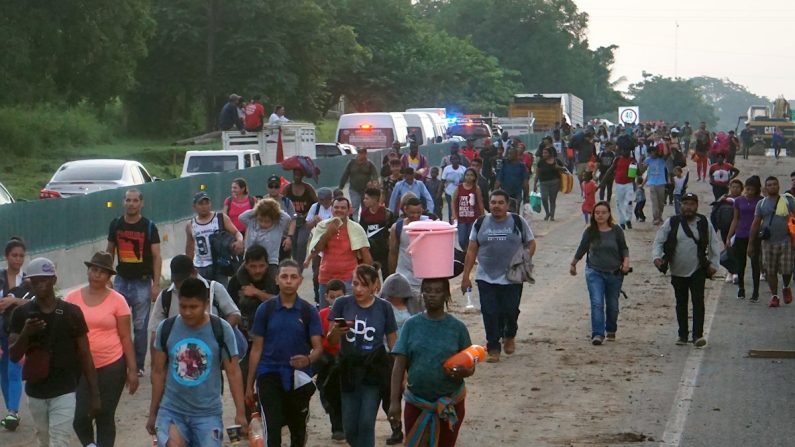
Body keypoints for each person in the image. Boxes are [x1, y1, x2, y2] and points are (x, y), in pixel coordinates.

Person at [9, 258, 100, 447]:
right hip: (36, 392)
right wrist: (26, 333)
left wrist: (94, 393)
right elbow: (13, 355)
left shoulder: (71, 313)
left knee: (59, 441)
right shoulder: (21, 314)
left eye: (45, 279)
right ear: (30, 283)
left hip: (64, 390)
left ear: (54, 280)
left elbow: (85, 354)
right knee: (45, 440)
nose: (40, 285)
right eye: (35, 281)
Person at [147, 277, 247, 447]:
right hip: (172, 410)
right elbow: (158, 372)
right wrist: (153, 412)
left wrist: (240, 412)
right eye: (183, 306)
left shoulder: (221, 330)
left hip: (207, 414)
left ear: (206, 304)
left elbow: (233, 372)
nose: (187, 312)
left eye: (193, 307)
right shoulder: (166, 328)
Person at [244, 259, 323, 447]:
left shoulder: (308, 311)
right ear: (276, 280)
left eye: (293, 277)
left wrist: (308, 359)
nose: (289, 281)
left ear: (300, 281)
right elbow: (256, 348)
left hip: (298, 378)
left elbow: (318, 347)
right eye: (284, 276)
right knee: (272, 426)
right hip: (268, 374)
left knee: (298, 429)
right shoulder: (266, 310)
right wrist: (249, 384)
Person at [388, 277, 474, 447]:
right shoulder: (411, 326)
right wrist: (394, 403)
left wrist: (463, 371)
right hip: (416, 403)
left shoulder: (457, 328)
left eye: (437, 291)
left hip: (451, 404)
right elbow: (399, 365)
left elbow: (470, 364)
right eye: (427, 290)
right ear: (421, 294)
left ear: (446, 295)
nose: (431, 295)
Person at [65, 252, 139, 447]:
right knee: (80, 417)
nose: (97, 275)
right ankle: (90, 444)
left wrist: (132, 369)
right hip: (81, 366)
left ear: (109, 276)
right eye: (93, 269)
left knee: (105, 414)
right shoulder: (72, 299)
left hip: (112, 364)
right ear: (88, 271)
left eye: (102, 272)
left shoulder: (118, 301)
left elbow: (125, 336)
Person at [461, 190, 536, 363]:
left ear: (507, 205)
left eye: (501, 202)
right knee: (489, 311)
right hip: (486, 276)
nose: (496, 206)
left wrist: (523, 261)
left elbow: (531, 243)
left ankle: (509, 335)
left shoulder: (518, 221)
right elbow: (472, 250)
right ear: (489, 204)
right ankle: (493, 346)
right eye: (493, 202)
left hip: (512, 276)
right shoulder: (480, 223)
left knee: (510, 309)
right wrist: (466, 276)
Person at [327, 265, 398, 447]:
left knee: (366, 423)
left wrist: (400, 372)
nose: (358, 289)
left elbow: (393, 343)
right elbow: (332, 341)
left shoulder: (384, 308)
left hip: (373, 369)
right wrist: (337, 330)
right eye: (356, 283)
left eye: (365, 285)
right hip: (348, 370)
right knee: (350, 427)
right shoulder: (342, 304)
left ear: (375, 285)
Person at [652, 193, 721, 347]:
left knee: (698, 301)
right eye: (685, 204)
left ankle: (697, 335)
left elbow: (714, 244)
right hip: (677, 270)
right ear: (681, 206)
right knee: (681, 302)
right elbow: (659, 241)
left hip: (698, 269)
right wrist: (657, 258)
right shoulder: (672, 222)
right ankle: (682, 335)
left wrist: (714, 265)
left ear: (696, 206)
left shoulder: (704, 222)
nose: (688, 207)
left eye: (691, 204)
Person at [106, 188, 162, 376]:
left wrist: (155, 285)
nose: (131, 203)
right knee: (116, 324)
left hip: (142, 283)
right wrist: (107, 279)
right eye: (128, 200)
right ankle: (118, 360)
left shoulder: (149, 227)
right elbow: (109, 252)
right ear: (123, 202)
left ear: (141, 203)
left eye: (135, 200)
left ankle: (137, 365)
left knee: (139, 327)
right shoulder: (115, 225)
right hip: (121, 280)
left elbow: (156, 257)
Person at [148, 255, 243, 357]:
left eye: (183, 280)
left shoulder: (214, 289)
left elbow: (234, 314)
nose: (180, 285)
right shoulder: (165, 297)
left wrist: (219, 335)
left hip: (212, 353)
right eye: (176, 281)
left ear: (194, 273)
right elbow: (155, 332)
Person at [225, 245, 279, 411]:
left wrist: (256, 293)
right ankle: (247, 416)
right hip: (245, 337)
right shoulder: (236, 282)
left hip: (271, 337)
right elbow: (229, 309)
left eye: (261, 266)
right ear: (246, 265)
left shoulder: (275, 278)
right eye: (253, 266)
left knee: (270, 378)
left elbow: (282, 302)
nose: (257, 270)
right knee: (242, 375)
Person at [569, 202, 631, 345]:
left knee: (612, 305)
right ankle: (597, 334)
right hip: (594, 272)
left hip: (615, 273)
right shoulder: (590, 231)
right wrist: (573, 264)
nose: (600, 215)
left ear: (609, 214)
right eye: (597, 213)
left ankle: (610, 329)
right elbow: (582, 248)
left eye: (603, 212)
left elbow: (624, 249)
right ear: (593, 215)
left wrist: (626, 263)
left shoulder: (616, 230)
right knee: (597, 302)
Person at [306, 197, 373, 306]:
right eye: (336, 207)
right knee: (326, 315)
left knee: (348, 315)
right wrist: (329, 232)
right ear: (331, 209)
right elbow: (315, 250)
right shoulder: (322, 226)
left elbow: (365, 253)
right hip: (326, 278)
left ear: (349, 210)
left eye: (343, 208)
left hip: (349, 279)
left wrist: (368, 280)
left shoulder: (356, 228)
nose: (339, 210)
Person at [379, 272, 416, 445]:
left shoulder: (414, 307)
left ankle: (411, 428)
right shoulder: (382, 307)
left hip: (410, 356)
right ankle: (396, 428)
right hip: (388, 356)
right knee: (390, 396)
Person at [748, 177, 795, 307]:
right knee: (770, 271)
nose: (772, 187)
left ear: (778, 186)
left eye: (774, 184)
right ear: (765, 188)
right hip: (768, 242)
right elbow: (756, 223)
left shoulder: (788, 200)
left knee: (787, 270)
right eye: (769, 185)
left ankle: (786, 286)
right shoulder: (761, 204)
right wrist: (750, 243)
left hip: (786, 240)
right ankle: (774, 296)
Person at [185, 191, 244, 286]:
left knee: (221, 294)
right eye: (200, 204)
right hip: (200, 266)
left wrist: (240, 241)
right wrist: (189, 267)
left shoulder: (220, 218)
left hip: (219, 264)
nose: (204, 206)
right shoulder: (191, 224)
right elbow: (189, 248)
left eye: (206, 203)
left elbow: (237, 232)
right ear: (194, 206)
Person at [0, 237, 27, 431]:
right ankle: (12, 411)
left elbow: (36, 302)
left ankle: (12, 411)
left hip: (17, 333)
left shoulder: (28, 280)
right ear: (6, 256)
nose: (17, 259)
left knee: (14, 368)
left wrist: (14, 301)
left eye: (21, 256)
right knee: (3, 372)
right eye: (14, 255)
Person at [389, 196, 431, 313]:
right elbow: (393, 252)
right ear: (405, 210)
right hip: (405, 276)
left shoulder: (429, 225)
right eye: (412, 213)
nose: (415, 216)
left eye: (418, 212)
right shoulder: (397, 228)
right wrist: (392, 276)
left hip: (425, 278)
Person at [316, 280, 347, 441]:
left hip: (345, 359)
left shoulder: (350, 313)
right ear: (326, 297)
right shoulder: (322, 315)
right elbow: (318, 341)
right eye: (332, 297)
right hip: (326, 359)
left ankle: (342, 426)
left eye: (339, 296)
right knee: (327, 389)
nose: (335, 300)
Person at [726, 176, 764, 301]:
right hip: (741, 234)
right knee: (740, 263)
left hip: (755, 235)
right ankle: (741, 288)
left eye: (752, 189)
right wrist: (729, 236)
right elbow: (735, 219)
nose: (749, 192)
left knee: (755, 264)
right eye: (747, 189)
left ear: (757, 190)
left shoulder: (761, 200)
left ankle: (755, 292)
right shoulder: (739, 201)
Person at [239, 197, 295, 278]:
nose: (263, 224)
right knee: (240, 276)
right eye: (260, 220)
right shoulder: (252, 222)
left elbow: (287, 218)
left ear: (274, 219)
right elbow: (241, 217)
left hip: (270, 261)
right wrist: (258, 210)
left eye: (267, 221)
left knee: (273, 279)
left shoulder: (278, 226)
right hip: (250, 258)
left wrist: (272, 209)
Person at [306, 187, 335, 303]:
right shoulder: (316, 207)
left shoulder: (335, 208)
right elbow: (308, 225)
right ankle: (318, 299)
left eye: (326, 200)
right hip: (317, 245)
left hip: (331, 244)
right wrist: (314, 220)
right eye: (321, 200)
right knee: (316, 274)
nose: (324, 202)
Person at [359, 187, 396, 277]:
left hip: (385, 252)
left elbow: (392, 232)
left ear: (375, 199)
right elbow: (362, 232)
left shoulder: (387, 214)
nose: (364, 201)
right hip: (371, 251)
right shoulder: (364, 214)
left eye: (366, 198)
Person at [452, 168, 485, 256]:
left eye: (471, 175)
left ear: (474, 177)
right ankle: (466, 252)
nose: (469, 177)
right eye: (467, 175)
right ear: (464, 176)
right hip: (462, 218)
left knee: (471, 238)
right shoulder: (459, 187)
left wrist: (483, 217)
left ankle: (469, 255)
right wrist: (454, 214)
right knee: (462, 239)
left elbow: (480, 203)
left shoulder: (476, 188)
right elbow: (454, 201)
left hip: (473, 218)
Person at [339, 148, 379, 220]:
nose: (360, 155)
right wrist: (341, 187)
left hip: (366, 190)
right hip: (354, 189)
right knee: (355, 207)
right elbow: (345, 174)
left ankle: (365, 222)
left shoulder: (369, 164)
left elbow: (375, 175)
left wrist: (373, 182)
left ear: (365, 154)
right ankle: (355, 223)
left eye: (362, 153)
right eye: (359, 153)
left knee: (365, 207)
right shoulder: (351, 163)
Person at [533, 146, 565, 221]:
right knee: (544, 198)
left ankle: (552, 215)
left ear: (550, 153)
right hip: (543, 183)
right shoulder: (540, 162)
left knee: (552, 199)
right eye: (543, 153)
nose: (543, 154)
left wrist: (558, 168)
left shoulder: (556, 161)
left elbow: (565, 170)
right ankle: (547, 213)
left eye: (546, 153)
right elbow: (537, 174)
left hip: (555, 182)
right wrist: (535, 184)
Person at [495, 147, 530, 213]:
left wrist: (526, 195)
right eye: (508, 154)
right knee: (505, 211)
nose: (508, 155)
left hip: (517, 193)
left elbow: (525, 182)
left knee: (516, 211)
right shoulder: (504, 165)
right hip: (505, 193)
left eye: (510, 154)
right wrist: (495, 192)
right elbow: (498, 180)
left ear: (516, 155)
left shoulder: (522, 166)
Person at [644, 146, 669, 226]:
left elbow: (666, 154)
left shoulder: (662, 160)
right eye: (650, 153)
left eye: (652, 152)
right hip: (652, 183)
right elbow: (642, 169)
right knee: (654, 202)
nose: (651, 154)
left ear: (656, 152)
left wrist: (664, 143)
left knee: (661, 202)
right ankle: (656, 218)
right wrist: (640, 162)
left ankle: (660, 216)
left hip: (661, 183)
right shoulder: (648, 160)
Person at [441, 155, 467, 223]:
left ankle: (461, 222)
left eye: (456, 159)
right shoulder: (447, 169)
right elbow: (443, 180)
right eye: (452, 159)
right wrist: (439, 192)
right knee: (451, 208)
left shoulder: (463, 169)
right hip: (449, 192)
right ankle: (451, 223)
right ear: (451, 161)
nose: (454, 161)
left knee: (460, 208)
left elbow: (466, 180)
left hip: (460, 192)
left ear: (459, 160)